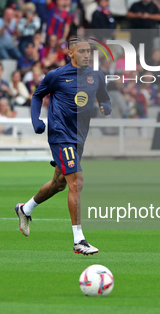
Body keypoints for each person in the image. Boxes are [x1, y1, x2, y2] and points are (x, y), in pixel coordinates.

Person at [15, 36, 111, 255]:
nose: (87, 55)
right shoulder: (57, 76)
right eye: (83, 51)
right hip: (60, 135)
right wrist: (37, 121)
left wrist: (106, 106)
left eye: (89, 51)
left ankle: (24, 208)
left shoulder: (96, 76)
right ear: (71, 54)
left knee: (59, 184)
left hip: (79, 137)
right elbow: (37, 96)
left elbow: (105, 98)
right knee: (77, 183)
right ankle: (79, 240)